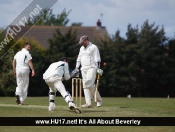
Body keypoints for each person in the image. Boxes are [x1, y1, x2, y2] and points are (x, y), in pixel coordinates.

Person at [75, 35, 102, 108]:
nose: (82, 44)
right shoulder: (81, 48)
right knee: (85, 86)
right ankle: (88, 103)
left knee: (89, 84)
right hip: (83, 68)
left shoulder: (93, 47)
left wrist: (98, 68)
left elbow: (97, 58)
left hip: (92, 67)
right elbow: (79, 58)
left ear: (86, 40)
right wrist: (77, 67)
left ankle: (98, 99)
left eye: (82, 42)